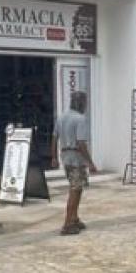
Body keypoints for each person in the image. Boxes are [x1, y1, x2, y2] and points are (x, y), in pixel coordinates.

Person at [50, 91, 97, 236]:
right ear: (80, 103)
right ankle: (67, 224)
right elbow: (81, 143)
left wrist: (54, 157)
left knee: (77, 189)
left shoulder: (61, 117)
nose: (85, 105)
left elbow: (54, 138)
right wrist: (90, 162)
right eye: (84, 102)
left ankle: (74, 218)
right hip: (76, 159)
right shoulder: (80, 119)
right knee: (74, 191)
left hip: (66, 157)